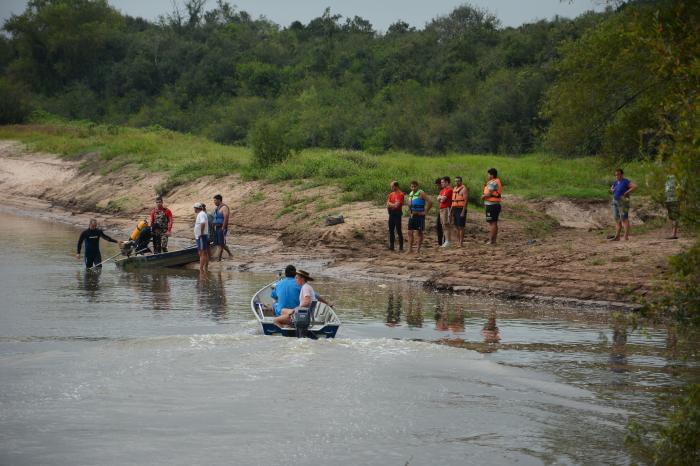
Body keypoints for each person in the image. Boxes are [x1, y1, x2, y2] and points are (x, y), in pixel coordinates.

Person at [610, 168, 637, 241]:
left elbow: (634, 186)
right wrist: (612, 189)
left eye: (618, 174)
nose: (617, 176)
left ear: (622, 174)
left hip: (623, 201)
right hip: (615, 200)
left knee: (624, 218)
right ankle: (617, 236)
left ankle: (625, 236)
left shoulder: (625, 181)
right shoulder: (616, 182)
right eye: (615, 175)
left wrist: (627, 192)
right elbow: (612, 188)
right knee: (617, 219)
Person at [406, 180, 432, 254]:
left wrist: (425, 212)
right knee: (409, 232)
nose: (413, 188)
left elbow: (430, 202)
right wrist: (409, 211)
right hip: (412, 216)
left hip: (419, 216)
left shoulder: (421, 193)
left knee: (419, 232)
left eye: (415, 186)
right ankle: (410, 249)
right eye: (412, 186)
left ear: (417, 186)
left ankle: (418, 250)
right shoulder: (410, 194)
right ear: (410, 187)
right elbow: (409, 204)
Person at [481, 168, 502, 245]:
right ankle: (494, 240)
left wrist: (483, 196)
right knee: (494, 223)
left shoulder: (493, 182)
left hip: (492, 205)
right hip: (495, 205)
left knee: (492, 223)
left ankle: (491, 240)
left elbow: (489, 194)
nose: (488, 176)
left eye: (488, 174)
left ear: (492, 175)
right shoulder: (496, 181)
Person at [212, 194, 233, 260]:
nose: (214, 202)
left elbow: (226, 218)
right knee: (219, 243)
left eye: (215, 200)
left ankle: (219, 258)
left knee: (221, 243)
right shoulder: (217, 208)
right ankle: (230, 253)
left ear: (219, 200)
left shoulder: (224, 207)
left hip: (222, 227)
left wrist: (223, 228)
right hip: (217, 227)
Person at [386, 181, 405, 251]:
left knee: (398, 230)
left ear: (396, 186)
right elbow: (387, 203)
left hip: (397, 213)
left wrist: (391, 204)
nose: (391, 188)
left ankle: (401, 247)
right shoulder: (391, 194)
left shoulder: (401, 194)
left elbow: (397, 205)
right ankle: (391, 246)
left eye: (392, 186)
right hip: (391, 213)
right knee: (391, 230)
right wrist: (392, 205)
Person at [451, 176, 468, 247]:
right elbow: (453, 201)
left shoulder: (464, 189)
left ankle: (461, 243)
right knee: (456, 226)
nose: (456, 182)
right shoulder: (454, 189)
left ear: (461, 181)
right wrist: (451, 211)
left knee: (461, 226)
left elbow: (466, 201)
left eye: (458, 181)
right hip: (455, 208)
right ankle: (458, 241)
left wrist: (463, 212)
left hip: (461, 209)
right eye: (455, 181)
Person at [193, 202, 209, 273]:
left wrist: (201, 233)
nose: (194, 209)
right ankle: (205, 267)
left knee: (202, 252)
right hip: (200, 236)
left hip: (201, 236)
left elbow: (203, 223)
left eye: (194, 208)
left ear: (196, 208)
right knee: (204, 252)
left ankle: (201, 269)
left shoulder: (201, 214)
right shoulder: (201, 214)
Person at [438, 176, 454, 248]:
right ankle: (447, 240)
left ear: (447, 182)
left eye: (443, 182)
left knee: (446, 224)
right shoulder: (442, 190)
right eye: (441, 182)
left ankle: (448, 241)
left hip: (446, 208)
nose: (441, 183)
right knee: (443, 225)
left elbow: (443, 199)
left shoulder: (449, 190)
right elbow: (438, 198)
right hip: (441, 208)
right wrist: (441, 198)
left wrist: (441, 198)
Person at [664, 174, 680, 239]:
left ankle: (674, 234)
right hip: (668, 199)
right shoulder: (667, 179)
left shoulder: (677, 178)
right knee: (671, 216)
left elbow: (680, 189)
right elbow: (666, 190)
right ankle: (672, 233)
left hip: (674, 199)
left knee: (675, 216)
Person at [434, 178, 444, 246]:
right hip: (441, 209)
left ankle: (444, 242)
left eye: (438, 185)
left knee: (444, 226)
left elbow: (441, 200)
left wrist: (439, 198)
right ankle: (440, 242)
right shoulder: (441, 190)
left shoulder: (445, 190)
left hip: (445, 210)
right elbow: (439, 200)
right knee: (439, 225)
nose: (437, 187)